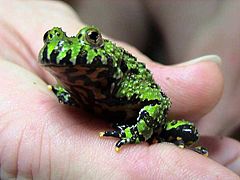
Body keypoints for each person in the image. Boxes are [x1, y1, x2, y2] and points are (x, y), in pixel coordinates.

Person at [0, 1, 238, 179]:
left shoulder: (124, 83)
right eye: (49, 38)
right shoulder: (73, 83)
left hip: (145, 124)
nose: (61, 47)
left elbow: (158, 101)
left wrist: (138, 132)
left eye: (92, 38)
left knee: (186, 132)